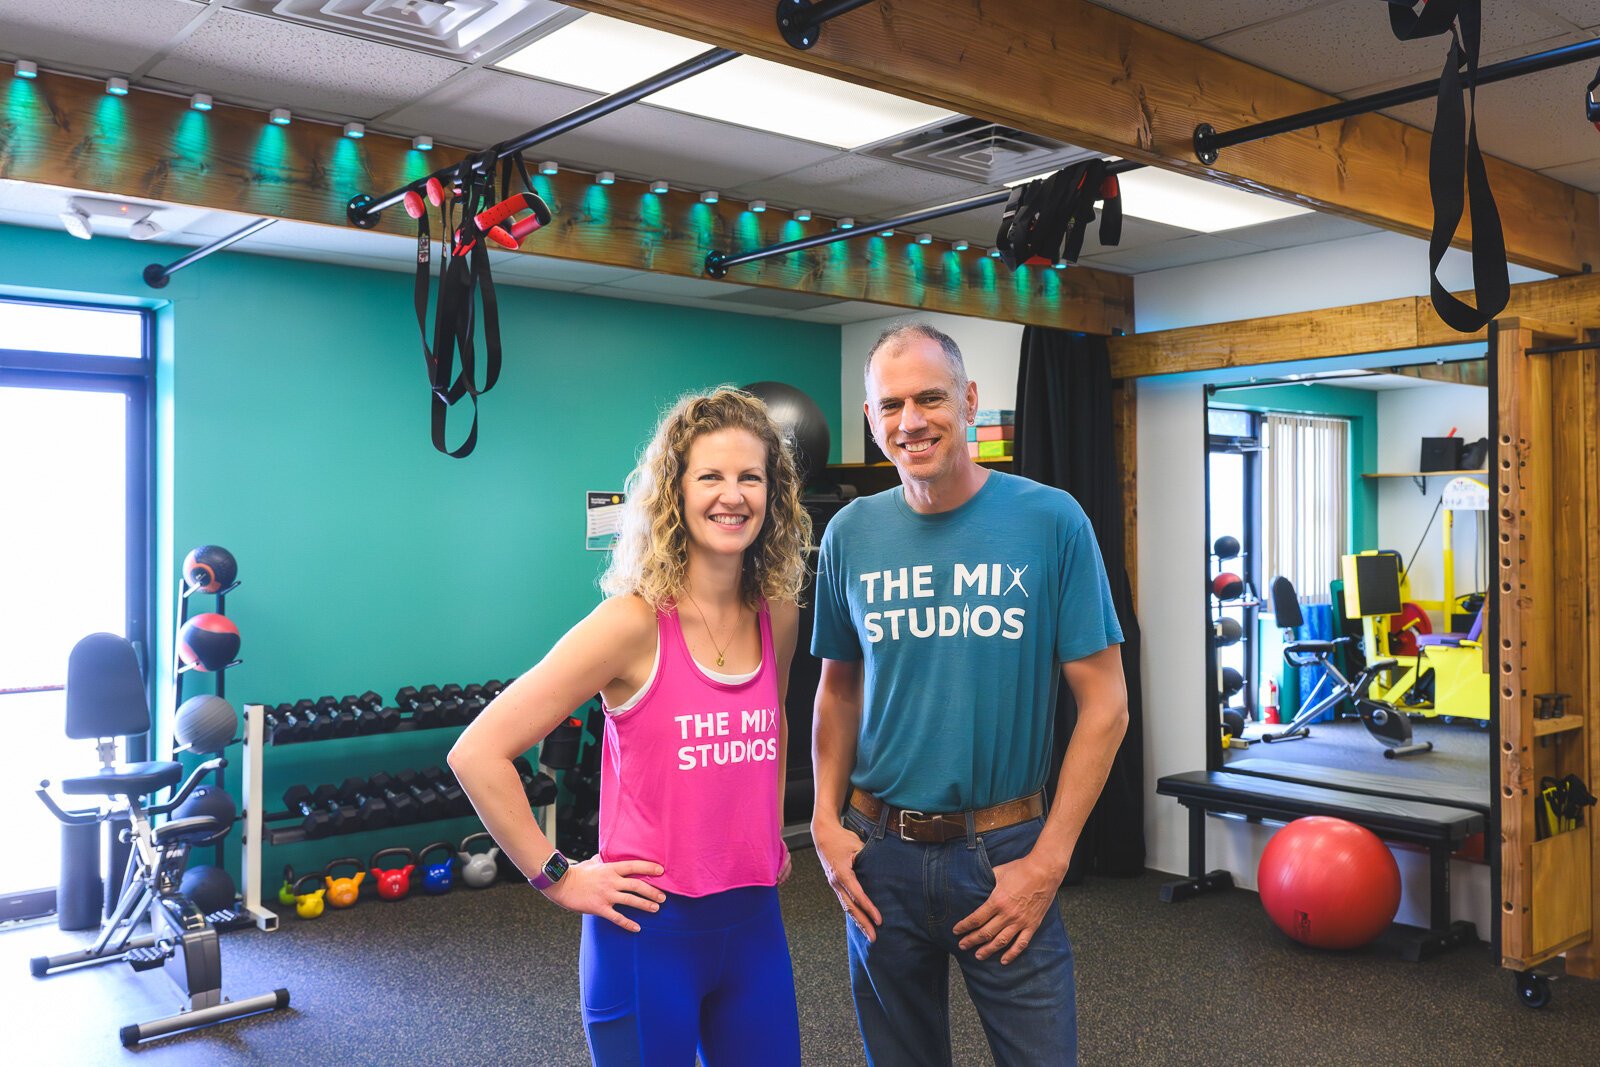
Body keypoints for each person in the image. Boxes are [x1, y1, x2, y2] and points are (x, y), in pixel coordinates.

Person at [450, 387, 812, 1067]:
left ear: (773, 494)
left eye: (750, 477)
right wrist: (557, 876)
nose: (731, 495)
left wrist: (764, 831)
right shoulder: (632, 623)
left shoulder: (778, 614)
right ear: (674, 490)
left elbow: (776, 718)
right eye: (710, 475)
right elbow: (478, 752)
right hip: (648, 931)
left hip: (755, 921)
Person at [810, 321, 1129, 1067]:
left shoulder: (1051, 520)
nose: (911, 421)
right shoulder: (850, 533)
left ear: (971, 402)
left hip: (1005, 849)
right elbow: (838, 691)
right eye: (891, 405)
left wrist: (1050, 859)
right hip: (876, 849)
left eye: (930, 398)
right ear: (870, 419)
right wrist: (823, 822)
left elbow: (1106, 705)